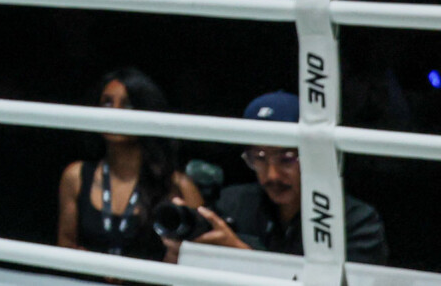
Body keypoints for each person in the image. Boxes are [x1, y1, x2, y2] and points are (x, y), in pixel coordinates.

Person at [187, 90, 389, 263]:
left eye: (286, 159)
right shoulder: (231, 203)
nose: (272, 175)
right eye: (259, 158)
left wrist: (244, 258)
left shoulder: (356, 223)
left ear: (315, 155)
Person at [55, 68, 204, 260]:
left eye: (127, 105)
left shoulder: (176, 184)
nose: (115, 113)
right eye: (107, 103)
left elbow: (200, 257)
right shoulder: (76, 175)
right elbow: (65, 246)